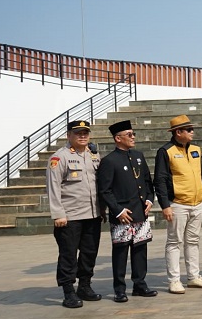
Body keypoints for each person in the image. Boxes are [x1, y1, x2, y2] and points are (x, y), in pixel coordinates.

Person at [96, 120, 157, 303]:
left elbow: (147, 181)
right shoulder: (109, 161)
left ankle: (140, 284)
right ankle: (119, 289)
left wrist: (148, 199)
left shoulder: (138, 155)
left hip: (140, 212)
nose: (133, 137)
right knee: (121, 252)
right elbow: (104, 190)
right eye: (129, 134)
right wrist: (117, 210)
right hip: (123, 215)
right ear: (118, 138)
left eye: (133, 134)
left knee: (140, 250)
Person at [46, 120, 104, 308]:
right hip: (70, 216)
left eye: (85, 132)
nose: (82, 136)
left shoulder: (93, 155)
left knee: (89, 253)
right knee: (68, 254)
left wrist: (102, 209)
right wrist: (58, 214)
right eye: (78, 133)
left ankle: (85, 286)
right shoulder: (59, 158)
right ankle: (68, 291)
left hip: (92, 214)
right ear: (69, 135)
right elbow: (53, 187)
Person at [154, 114, 202, 294]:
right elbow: (160, 179)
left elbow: (200, 174)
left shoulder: (196, 149)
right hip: (177, 203)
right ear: (178, 132)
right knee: (174, 241)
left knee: (193, 241)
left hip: (196, 203)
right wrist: (165, 205)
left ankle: (193, 276)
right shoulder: (166, 151)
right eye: (189, 130)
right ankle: (174, 280)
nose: (192, 132)